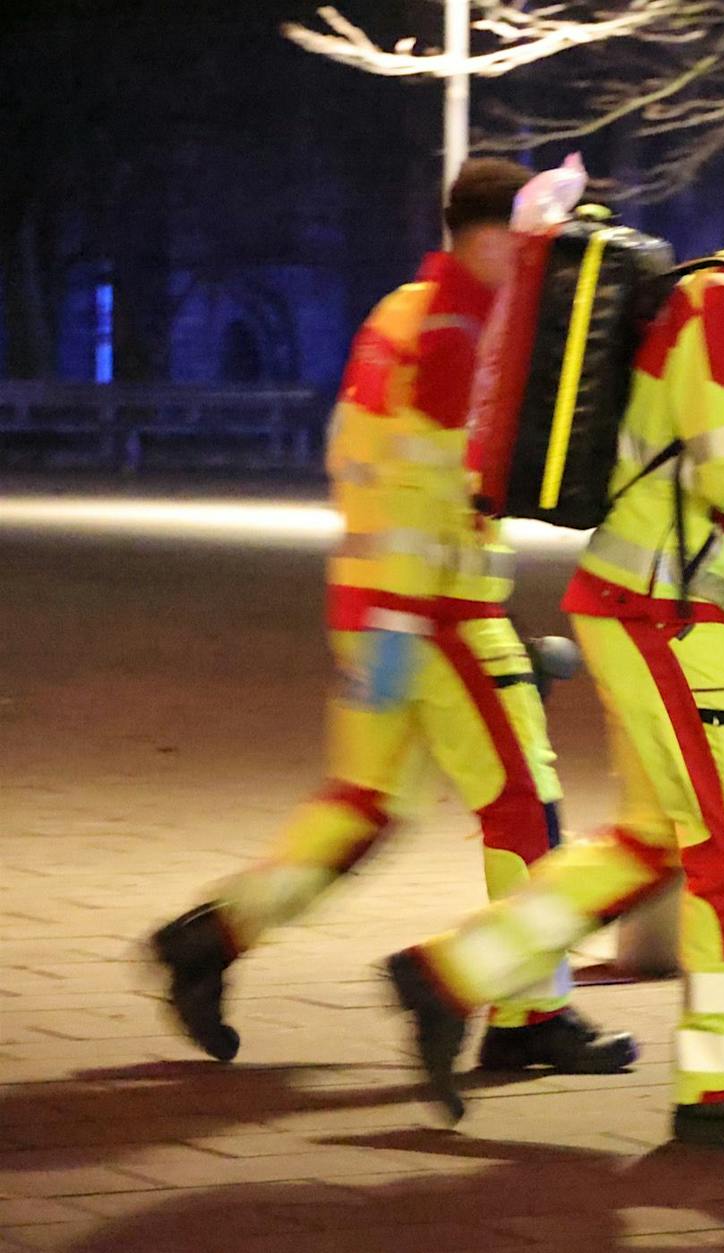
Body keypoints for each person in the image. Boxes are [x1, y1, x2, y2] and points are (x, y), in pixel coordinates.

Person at [384, 117, 724, 1146]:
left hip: (676, 609)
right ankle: (721, 1088)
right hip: (660, 615)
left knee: (655, 839)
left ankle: (450, 975)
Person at [149, 159, 636, 1078]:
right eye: (530, 245)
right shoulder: (457, 329)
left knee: (363, 806)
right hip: (439, 611)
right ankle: (529, 1011)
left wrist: (386, 624)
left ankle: (209, 938)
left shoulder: (399, 314)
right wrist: (415, 623)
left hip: (375, 602)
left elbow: (370, 456)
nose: (541, 264)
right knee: (525, 808)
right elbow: (440, 476)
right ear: (490, 239)